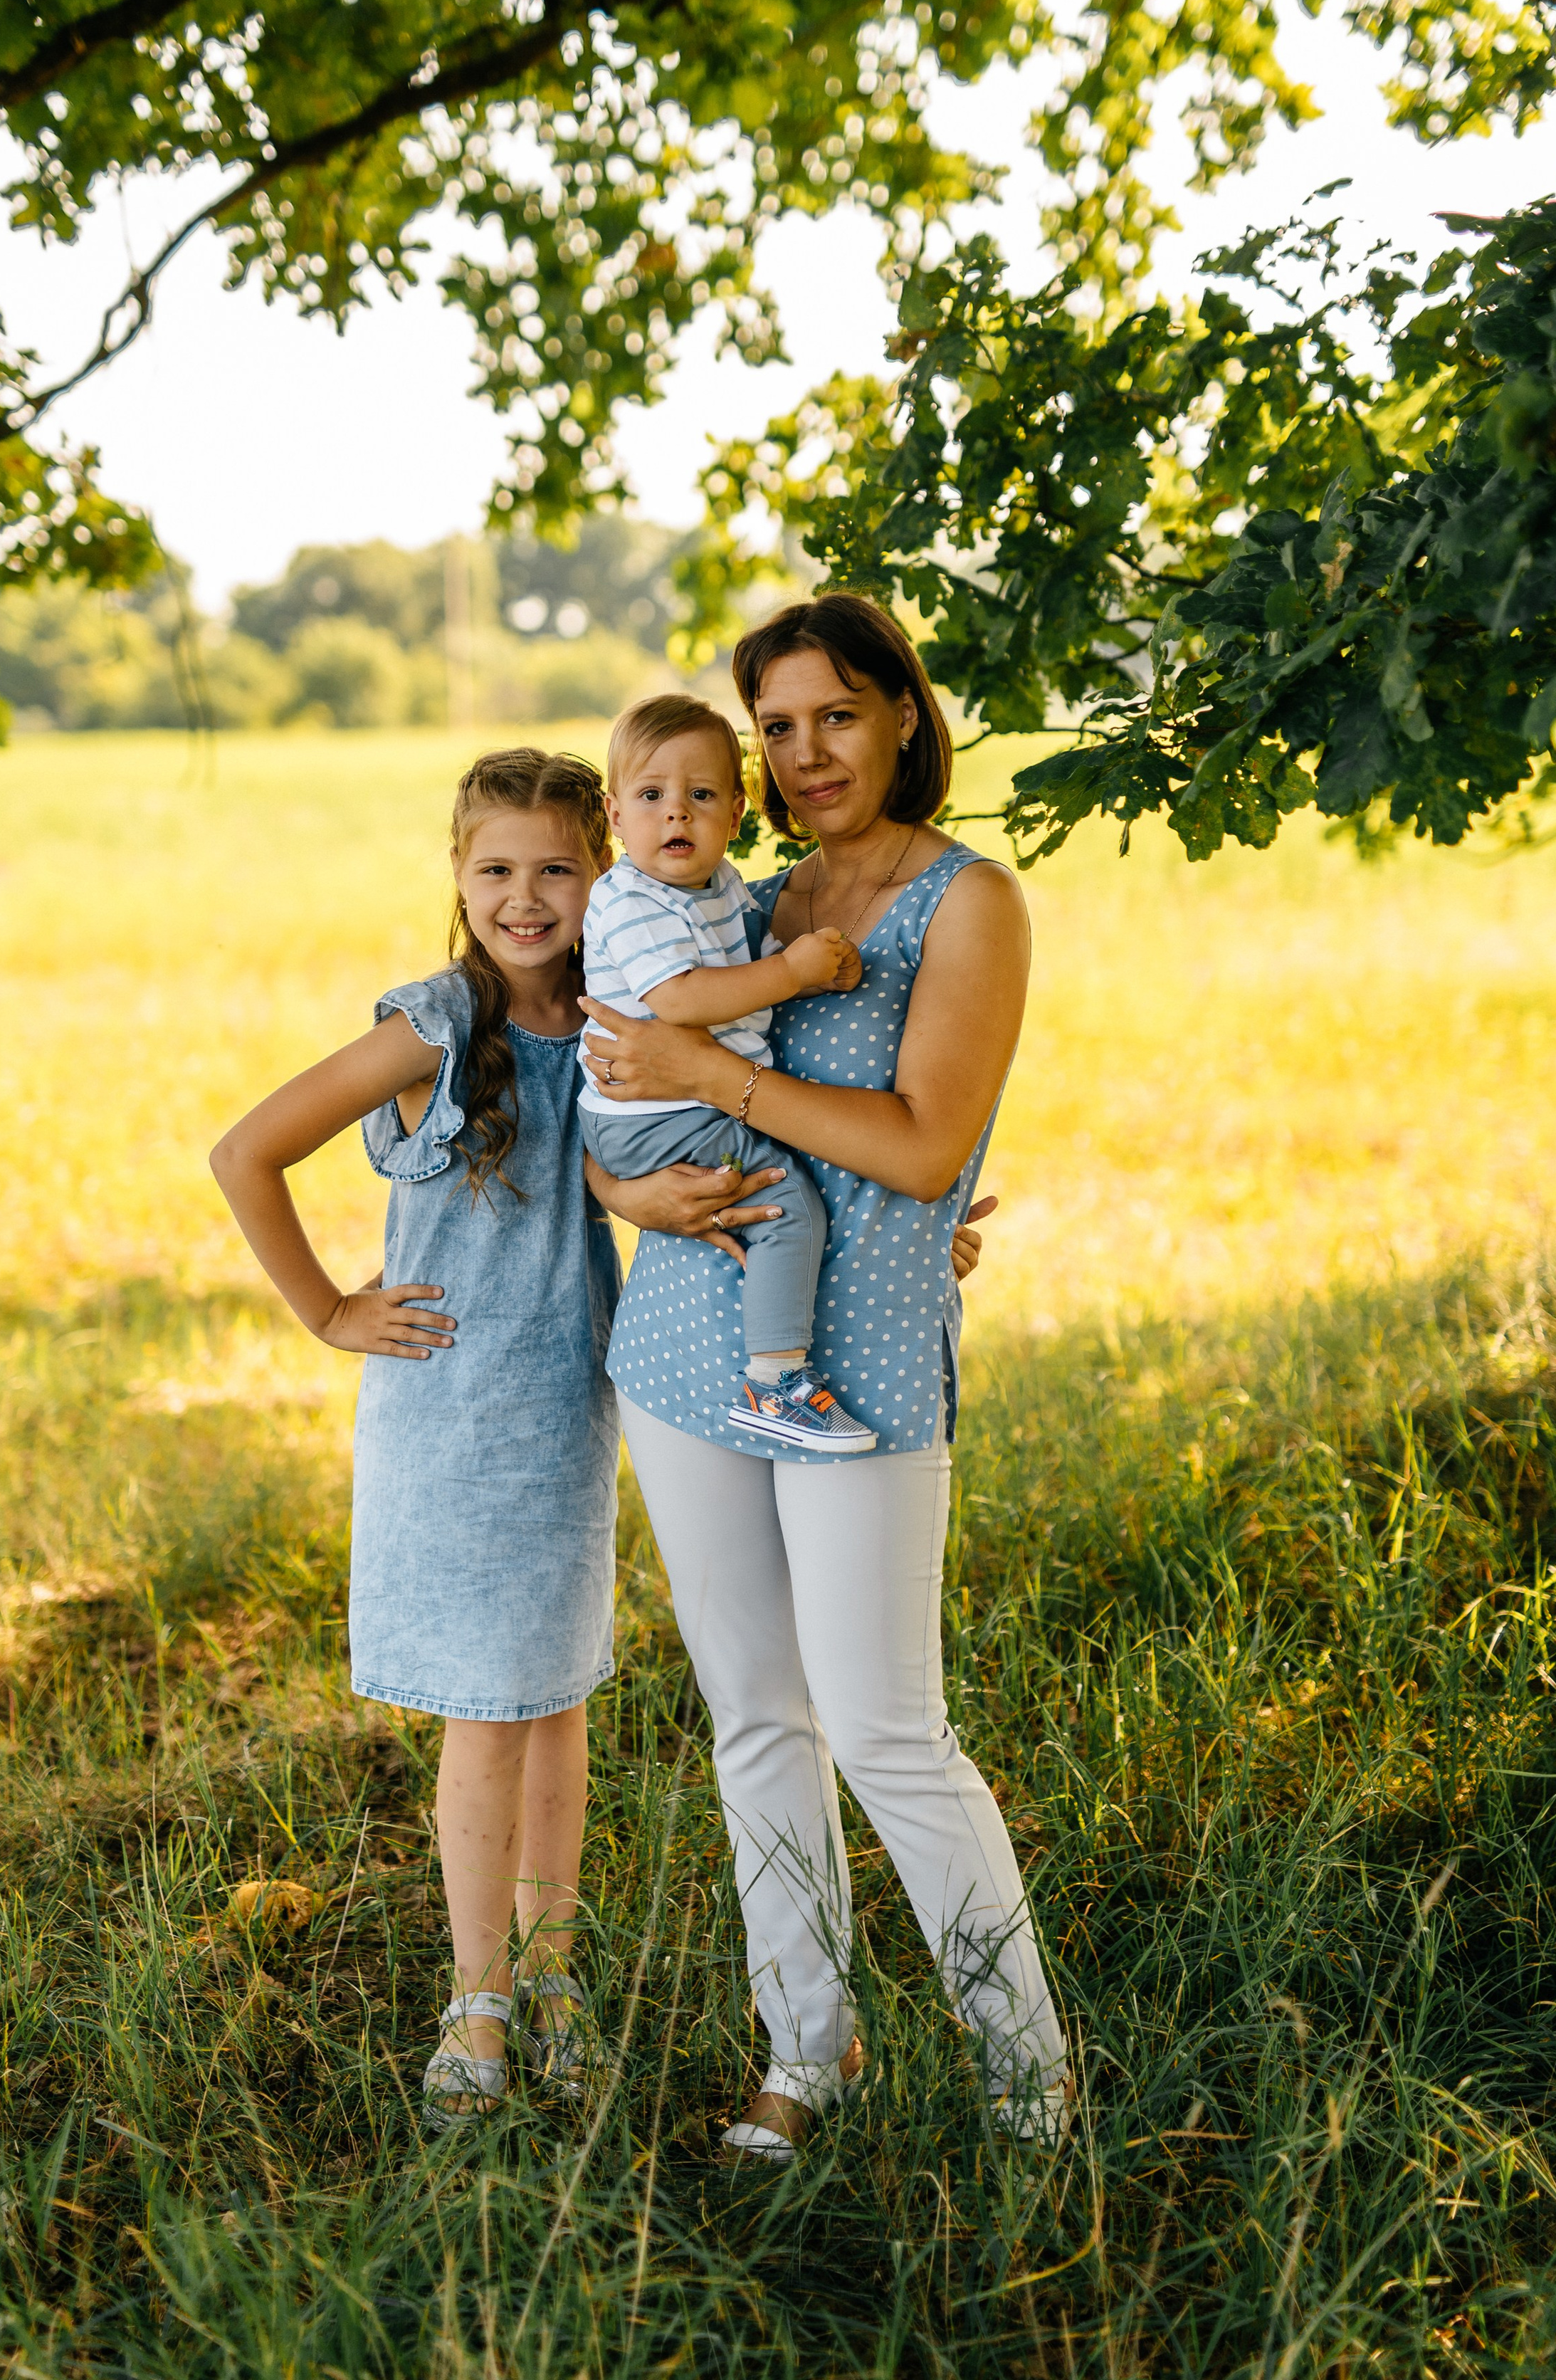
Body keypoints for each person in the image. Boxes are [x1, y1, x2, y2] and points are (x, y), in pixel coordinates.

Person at [582, 593, 1069, 2160]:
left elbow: (922, 1149)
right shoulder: (746, 889)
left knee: (884, 1730)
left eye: (833, 717)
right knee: (754, 1719)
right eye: (774, 728)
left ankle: (1028, 2090)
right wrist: (626, 1194)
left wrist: (721, 1073)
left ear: (903, 719)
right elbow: (617, 1076)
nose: (802, 755)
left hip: (850, 1365)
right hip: (679, 1343)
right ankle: (807, 2051)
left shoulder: (966, 901)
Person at [209, 746, 643, 2128]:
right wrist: (330, 1306)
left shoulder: (623, 1021)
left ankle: (555, 1969)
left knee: (558, 1698)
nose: (526, 896)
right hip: (451, 1425)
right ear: (458, 877)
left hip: (565, 1411)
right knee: (486, 1716)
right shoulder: (436, 1023)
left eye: (557, 868)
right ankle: (478, 1993)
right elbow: (244, 1152)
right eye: (496, 869)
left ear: (602, 875)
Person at [578, 691, 876, 1457]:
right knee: (786, 1206)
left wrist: (813, 964)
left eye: (700, 795)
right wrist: (793, 971)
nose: (675, 814)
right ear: (615, 816)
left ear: (736, 811)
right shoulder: (628, 899)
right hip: (653, 1115)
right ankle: (775, 1381)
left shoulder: (716, 886)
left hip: (675, 1104)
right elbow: (677, 1000)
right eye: (651, 796)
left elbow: (741, 948)